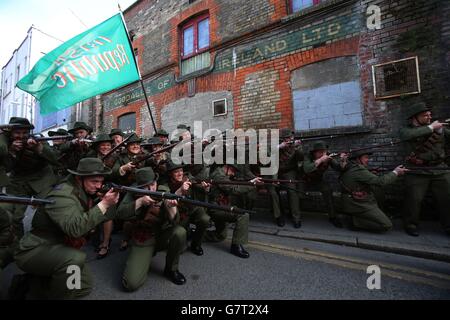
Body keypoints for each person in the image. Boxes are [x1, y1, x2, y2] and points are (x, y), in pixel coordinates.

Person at [11, 158, 119, 299]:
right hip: (35, 248)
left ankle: (34, 284)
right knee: (75, 260)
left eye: (100, 181)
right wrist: (104, 204)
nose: (99, 186)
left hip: (59, 246)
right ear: (79, 178)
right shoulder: (63, 195)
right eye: (94, 181)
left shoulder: (85, 191)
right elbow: (75, 229)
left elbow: (109, 216)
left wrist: (105, 203)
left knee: (83, 286)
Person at [117, 167, 187, 290]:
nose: (151, 189)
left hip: (161, 235)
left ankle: (171, 269)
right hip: (143, 238)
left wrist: (172, 208)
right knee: (130, 284)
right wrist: (139, 202)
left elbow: (175, 221)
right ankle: (144, 257)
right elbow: (120, 214)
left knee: (180, 232)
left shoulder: (163, 191)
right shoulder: (132, 192)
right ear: (138, 186)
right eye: (146, 186)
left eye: (153, 184)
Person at [399, 102, 450, 236]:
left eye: (429, 115)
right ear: (415, 118)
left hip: (439, 168)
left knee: (447, 198)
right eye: (425, 115)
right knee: (414, 200)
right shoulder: (406, 130)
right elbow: (406, 136)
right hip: (417, 170)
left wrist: (440, 129)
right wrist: (431, 128)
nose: (429, 117)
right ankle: (410, 224)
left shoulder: (439, 129)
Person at [339, 150, 408, 232]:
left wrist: (370, 173)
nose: (368, 160)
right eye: (366, 158)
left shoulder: (350, 166)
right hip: (357, 204)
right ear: (357, 159)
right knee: (387, 225)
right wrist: (395, 172)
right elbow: (381, 182)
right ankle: (355, 221)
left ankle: (360, 216)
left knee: (377, 191)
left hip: (352, 201)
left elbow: (358, 179)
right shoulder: (359, 170)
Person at [206, 163, 257, 258]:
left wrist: (251, 181)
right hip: (216, 208)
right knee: (243, 215)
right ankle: (236, 246)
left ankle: (195, 233)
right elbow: (233, 189)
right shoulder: (219, 175)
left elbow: (235, 184)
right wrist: (251, 184)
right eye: (233, 171)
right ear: (227, 167)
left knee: (220, 236)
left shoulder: (222, 173)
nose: (233, 174)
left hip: (222, 206)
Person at [159, 161, 210, 256]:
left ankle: (196, 244)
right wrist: (180, 191)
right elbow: (166, 201)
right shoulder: (165, 185)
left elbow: (199, 186)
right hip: (178, 213)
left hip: (191, 207)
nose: (180, 174)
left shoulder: (188, 178)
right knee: (180, 248)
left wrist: (205, 188)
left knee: (205, 219)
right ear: (170, 174)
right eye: (176, 172)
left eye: (181, 170)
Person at [300, 141, 347, 228]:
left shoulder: (328, 158)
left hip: (318, 180)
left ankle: (332, 217)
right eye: (320, 152)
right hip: (304, 180)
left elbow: (338, 168)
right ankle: (295, 214)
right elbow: (307, 169)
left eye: (324, 151)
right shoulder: (307, 157)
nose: (323, 154)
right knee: (298, 195)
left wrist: (343, 160)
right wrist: (321, 160)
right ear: (314, 153)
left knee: (328, 191)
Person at [277, 128, 304, 228]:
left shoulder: (296, 146)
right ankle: (279, 215)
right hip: (277, 171)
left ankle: (296, 218)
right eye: (287, 138)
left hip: (289, 172)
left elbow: (301, 158)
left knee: (292, 192)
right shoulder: (279, 145)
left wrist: (297, 148)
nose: (290, 139)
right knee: (274, 191)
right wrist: (280, 147)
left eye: (291, 137)